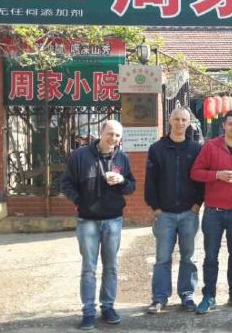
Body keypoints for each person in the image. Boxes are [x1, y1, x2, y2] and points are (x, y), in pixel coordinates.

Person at [61, 120, 136, 330]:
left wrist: (121, 180)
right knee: (89, 268)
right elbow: (65, 183)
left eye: (117, 136)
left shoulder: (122, 157)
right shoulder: (80, 156)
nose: (113, 139)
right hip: (87, 221)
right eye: (110, 133)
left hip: (113, 219)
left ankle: (108, 307)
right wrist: (80, 201)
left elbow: (131, 187)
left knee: (111, 266)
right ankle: (88, 311)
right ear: (100, 132)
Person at [190, 110, 232, 314]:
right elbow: (195, 173)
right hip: (213, 212)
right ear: (224, 125)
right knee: (211, 256)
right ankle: (209, 295)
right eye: (231, 124)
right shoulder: (210, 146)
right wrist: (217, 174)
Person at [144, 107, 204, 314]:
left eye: (184, 120)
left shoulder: (196, 149)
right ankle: (159, 297)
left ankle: (187, 295)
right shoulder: (157, 148)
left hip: (189, 212)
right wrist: (156, 208)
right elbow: (150, 181)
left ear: (189, 123)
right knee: (162, 258)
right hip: (165, 214)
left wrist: (198, 204)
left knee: (189, 256)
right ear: (170, 121)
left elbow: (201, 181)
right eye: (176, 119)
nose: (180, 123)